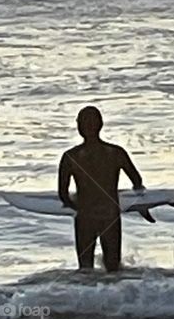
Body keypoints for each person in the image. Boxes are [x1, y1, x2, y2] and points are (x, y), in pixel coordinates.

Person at [58, 106, 144, 272]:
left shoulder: (71, 157)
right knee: (113, 269)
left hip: (85, 217)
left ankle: (89, 297)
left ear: (78, 126)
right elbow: (137, 181)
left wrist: (76, 205)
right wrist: (140, 203)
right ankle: (117, 297)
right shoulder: (116, 153)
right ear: (101, 124)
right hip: (110, 215)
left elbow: (63, 194)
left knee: (85, 270)